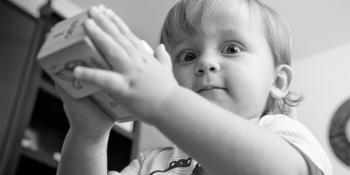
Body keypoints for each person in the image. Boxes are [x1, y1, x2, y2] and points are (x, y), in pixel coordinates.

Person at [56, 0, 333, 175]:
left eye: (231, 48)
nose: (206, 63)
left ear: (278, 81)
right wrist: (88, 136)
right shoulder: (150, 165)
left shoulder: (283, 136)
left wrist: (165, 100)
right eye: (188, 56)